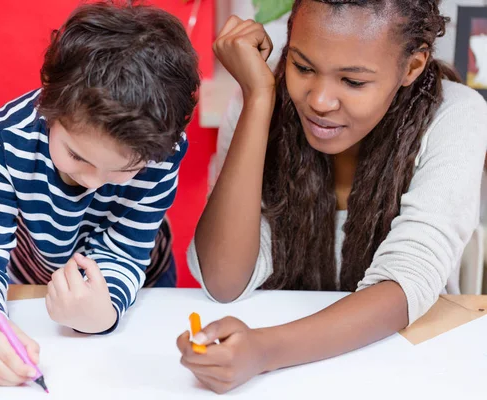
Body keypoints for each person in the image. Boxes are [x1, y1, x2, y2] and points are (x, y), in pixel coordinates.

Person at [178, 0, 487, 394]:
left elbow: (404, 282)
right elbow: (223, 280)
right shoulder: (261, 99)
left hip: (406, 371)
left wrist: (264, 351)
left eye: (353, 82)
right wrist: (257, 99)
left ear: (412, 66)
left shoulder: (457, 115)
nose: (320, 100)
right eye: (303, 67)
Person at [0, 1, 199, 386]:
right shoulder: (6, 136)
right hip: (32, 283)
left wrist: (106, 314)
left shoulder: (162, 149)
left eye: (123, 170)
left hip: (142, 283)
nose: (94, 182)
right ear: (49, 105)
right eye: (76, 156)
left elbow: (126, 252)